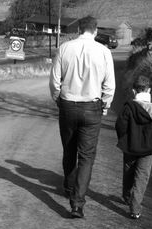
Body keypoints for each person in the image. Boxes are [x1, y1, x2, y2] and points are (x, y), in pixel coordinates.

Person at [49, 16, 115, 218]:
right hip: (92, 106)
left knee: (69, 150)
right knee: (86, 157)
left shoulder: (65, 48)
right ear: (95, 31)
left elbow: (54, 81)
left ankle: (69, 187)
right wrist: (105, 104)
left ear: (79, 29)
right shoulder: (104, 51)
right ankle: (77, 204)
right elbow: (109, 84)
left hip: (68, 105)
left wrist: (58, 100)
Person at [115, 75, 152, 219]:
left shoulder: (128, 108)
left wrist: (124, 139)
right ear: (149, 90)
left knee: (128, 171)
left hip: (130, 145)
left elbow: (120, 126)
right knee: (142, 176)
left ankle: (126, 195)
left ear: (133, 91)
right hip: (148, 149)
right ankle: (135, 208)